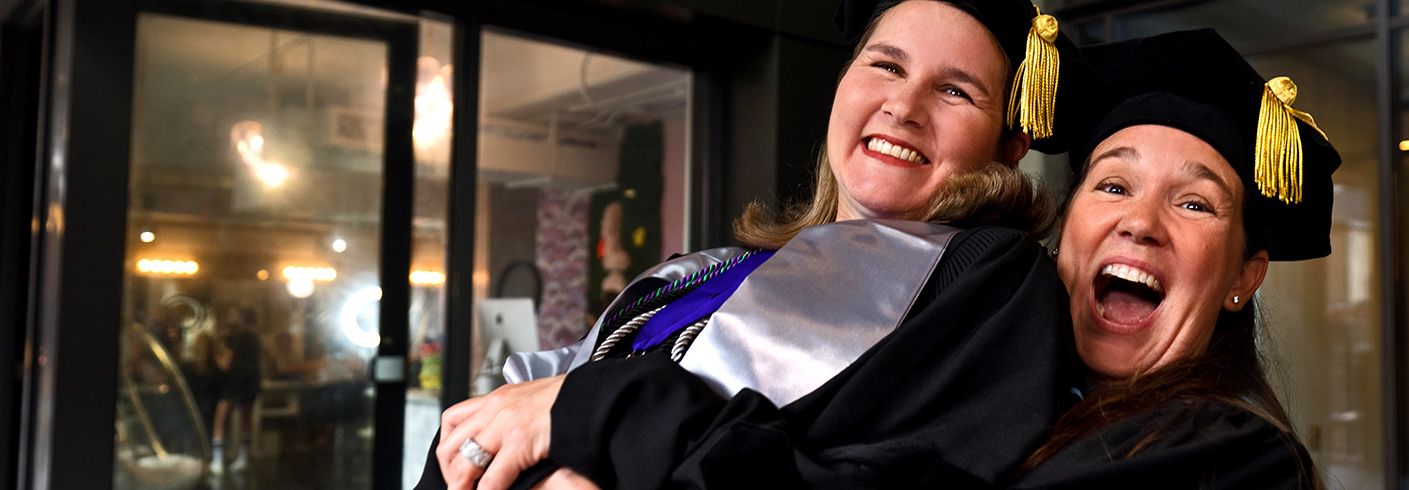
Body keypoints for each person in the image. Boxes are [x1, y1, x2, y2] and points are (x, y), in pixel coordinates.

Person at [417, 1, 1098, 489]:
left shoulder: (990, 284)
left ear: (1010, 147)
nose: (905, 106)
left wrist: (595, 415)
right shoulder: (705, 272)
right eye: (886, 66)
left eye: (955, 90)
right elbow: (506, 411)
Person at [1013, 28, 1341, 489]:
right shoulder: (996, 396)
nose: (1140, 222)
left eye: (1194, 203)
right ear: (1064, 232)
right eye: (1114, 186)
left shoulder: (1238, 462)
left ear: (1245, 278)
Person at [213, 306, 264, 473]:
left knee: (222, 417)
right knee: (246, 418)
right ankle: (243, 458)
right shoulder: (256, 338)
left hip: (234, 380)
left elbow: (225, 364)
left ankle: (218, 461)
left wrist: (214, 355)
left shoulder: (233, 336)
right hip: (253, 379)